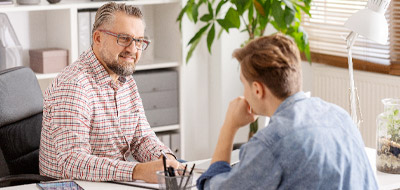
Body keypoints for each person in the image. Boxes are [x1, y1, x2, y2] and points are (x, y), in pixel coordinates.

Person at [197, 34, 378, 189]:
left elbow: (213, 187)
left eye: (244, 85)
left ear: (257, 90)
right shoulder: (339, 116)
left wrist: (229, 127)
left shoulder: (272, 142)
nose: (243, 93)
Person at [39, 2, 181, 183]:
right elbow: (72, 162)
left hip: (111, 183)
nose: (133, 49)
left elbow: (141, 138)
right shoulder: (74, 85)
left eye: (139, 41)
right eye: (124, 39)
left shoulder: (125, 79)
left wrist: (166, 160)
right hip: (75, 185)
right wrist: (138, 171)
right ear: (98, 38)